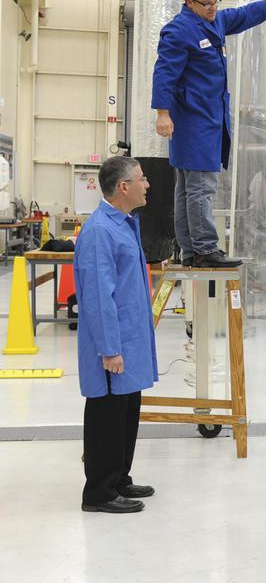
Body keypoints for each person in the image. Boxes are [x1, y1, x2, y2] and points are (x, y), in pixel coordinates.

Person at [151, 0, 266, 268]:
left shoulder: (215, 22)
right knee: (200, 188)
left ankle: (190, 250)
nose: (213, 8)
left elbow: (248, 14)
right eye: (206, 4)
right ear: (190, 2)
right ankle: (205, 249)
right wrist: (162, 112)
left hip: (208, 119)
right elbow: (164, 72)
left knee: (187, 189)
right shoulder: (179, 30)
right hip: (193, 121)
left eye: (215, 2)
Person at [75, 156, 159, 514]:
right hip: (113, 344)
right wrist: (109, 349)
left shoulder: (123, 224)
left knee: (126, 411)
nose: (147, 185)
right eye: (142, 179)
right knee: (107, 415)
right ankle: (99, 491)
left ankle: (119, 478)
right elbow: (98, 297)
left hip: (130, 339)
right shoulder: (100, 231)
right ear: (124, 187)